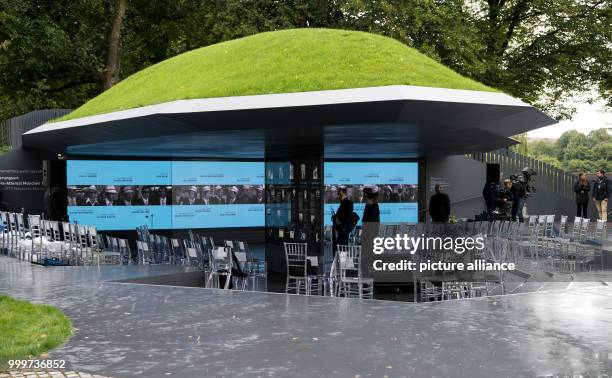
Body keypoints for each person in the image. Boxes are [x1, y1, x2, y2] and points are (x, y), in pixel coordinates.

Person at [332, 187, 353, 254]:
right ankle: (340, 261)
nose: (339, 196)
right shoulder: (342, 203)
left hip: (344, 229)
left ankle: (342, 261)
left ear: (345, 194)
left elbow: (348, 217)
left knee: (342, 246)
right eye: (339, 194)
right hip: (340, 229)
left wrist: (344, 228)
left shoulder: (348, 203)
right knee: (340, 246)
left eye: (340, 194)